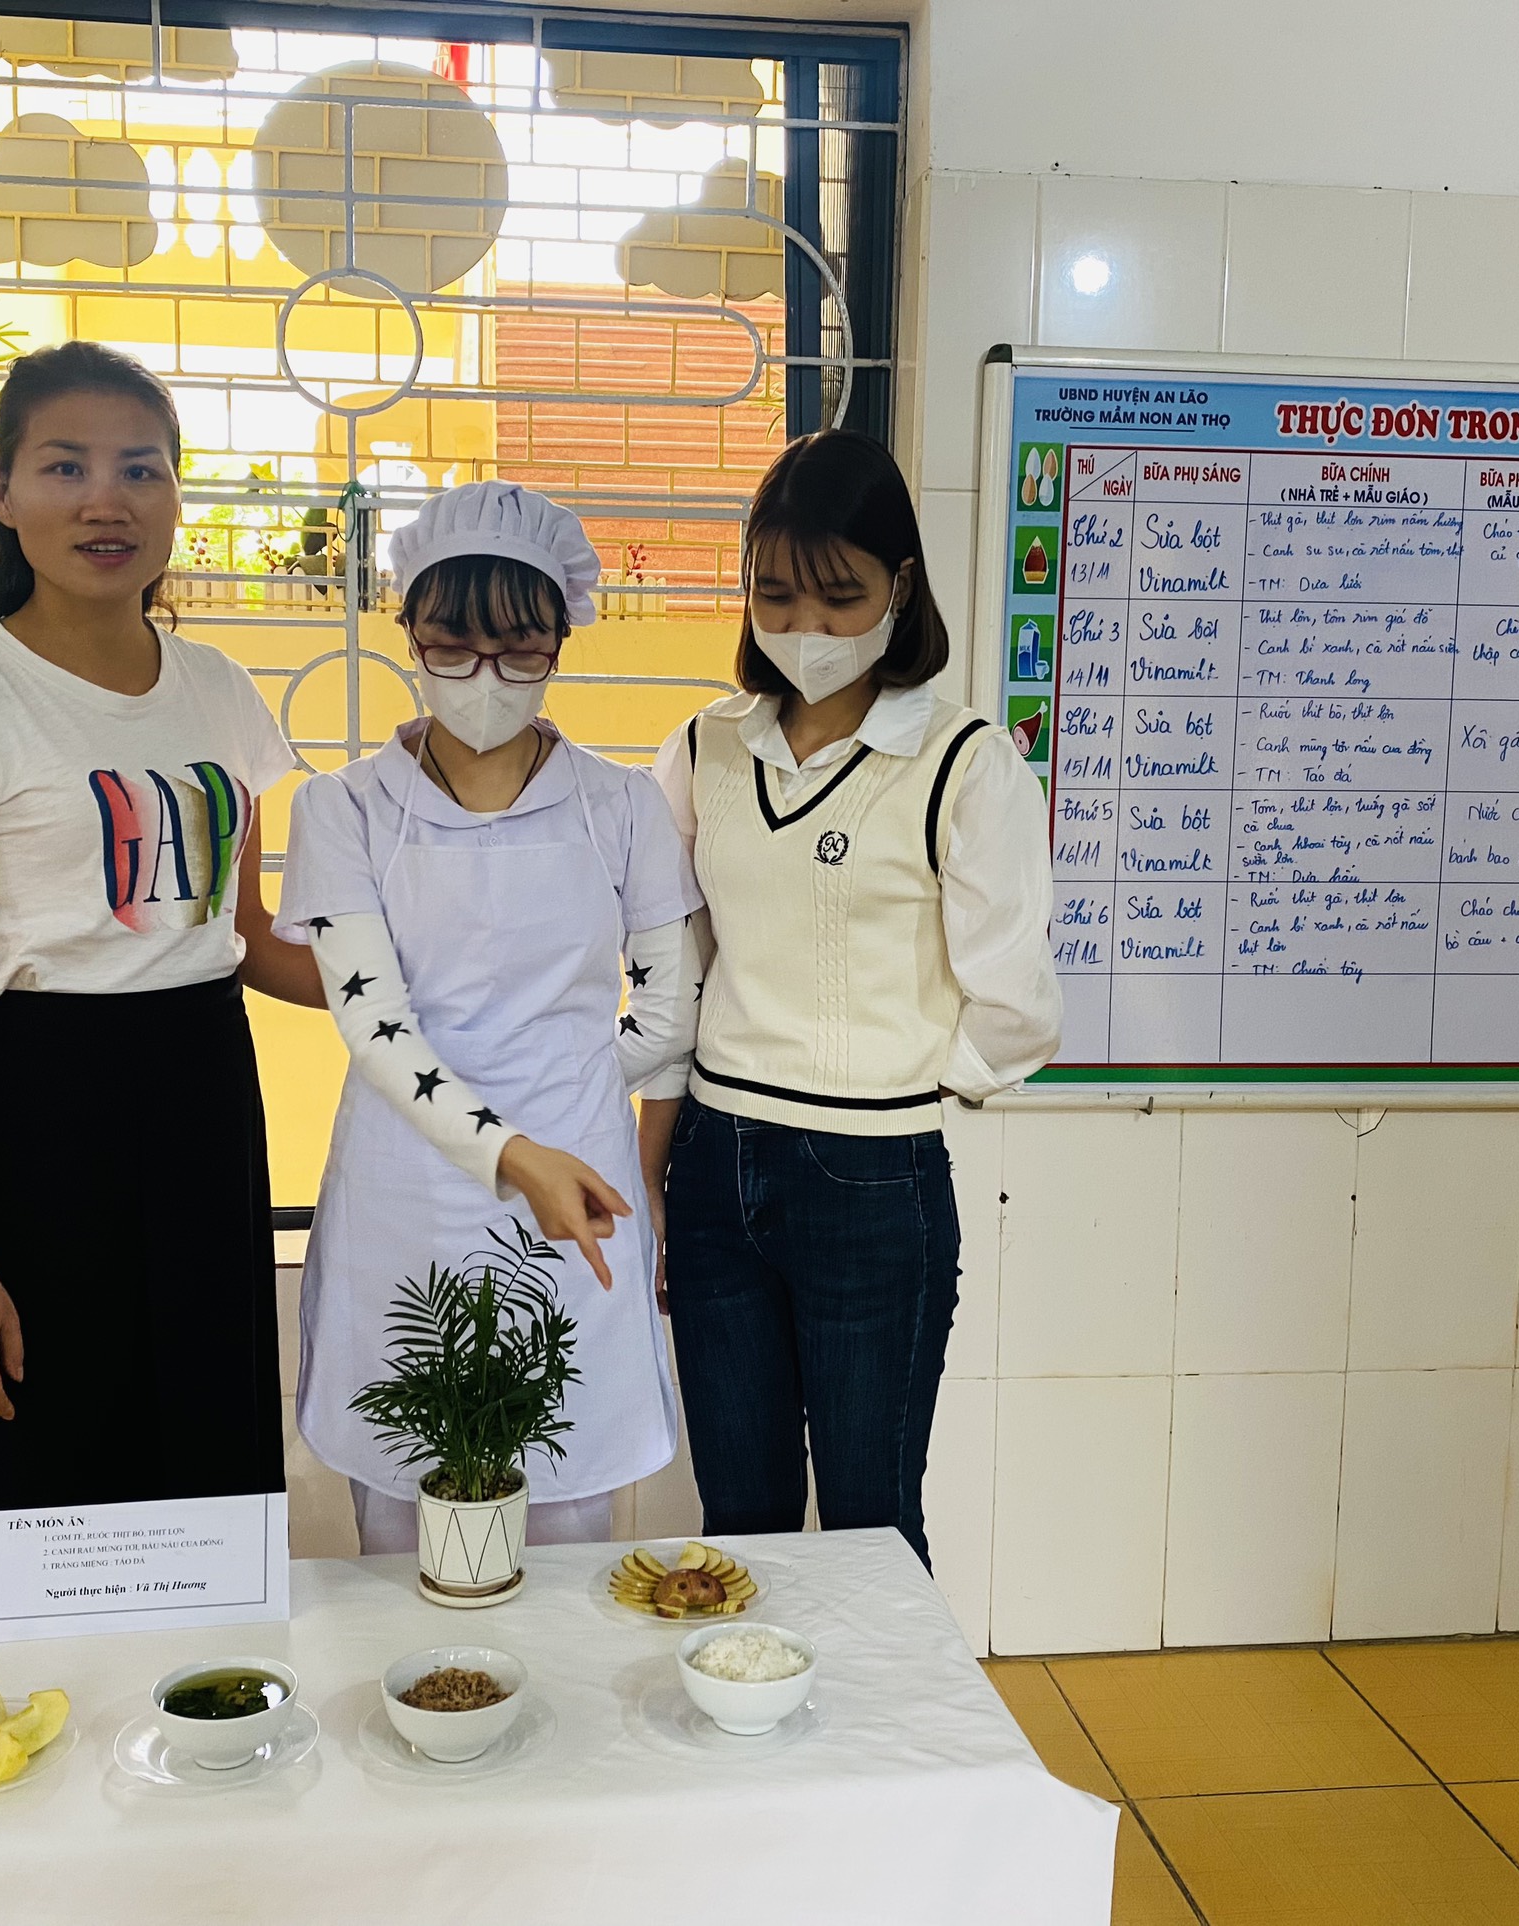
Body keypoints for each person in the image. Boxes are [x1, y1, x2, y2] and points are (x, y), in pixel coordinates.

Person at [0, 342, 322, 1677]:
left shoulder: (218, 688)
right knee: (38, 1455)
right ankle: (14, 1749)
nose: (105, 500)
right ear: (3, 493)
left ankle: (205, 1729)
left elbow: (240, 939)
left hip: (204, 1101)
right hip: (43, 1117)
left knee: (203, 1443)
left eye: (141, 469)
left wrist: (430, 993)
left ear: (177, 497)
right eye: (65, 467)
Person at [640, 431, 1061, 1566]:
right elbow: (672, 968)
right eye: (775, 594)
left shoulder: (964, 762)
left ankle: (883, 1701)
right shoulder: (704, 747)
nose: (806, 628)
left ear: (900, 587)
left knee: (873, 1528)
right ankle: (749, 1690)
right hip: (715, 1163)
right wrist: (652, 1170)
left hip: (874, 1178)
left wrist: (898, 1093)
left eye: (840, 596)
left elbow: (1018, 1005)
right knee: (740, 1524)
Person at [281, 481, 701, 1559]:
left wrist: (569, 1086)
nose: (485, 677)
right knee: (402, 1524)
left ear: (562, 637)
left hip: (579, 1191)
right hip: (403, 1197)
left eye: (519, 650)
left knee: (569, 1520)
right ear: (407, 632)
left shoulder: (622, 806)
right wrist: (526, 1134)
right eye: (453, 646)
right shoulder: (344, 809)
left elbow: (672, 1008)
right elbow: (376, 1030)